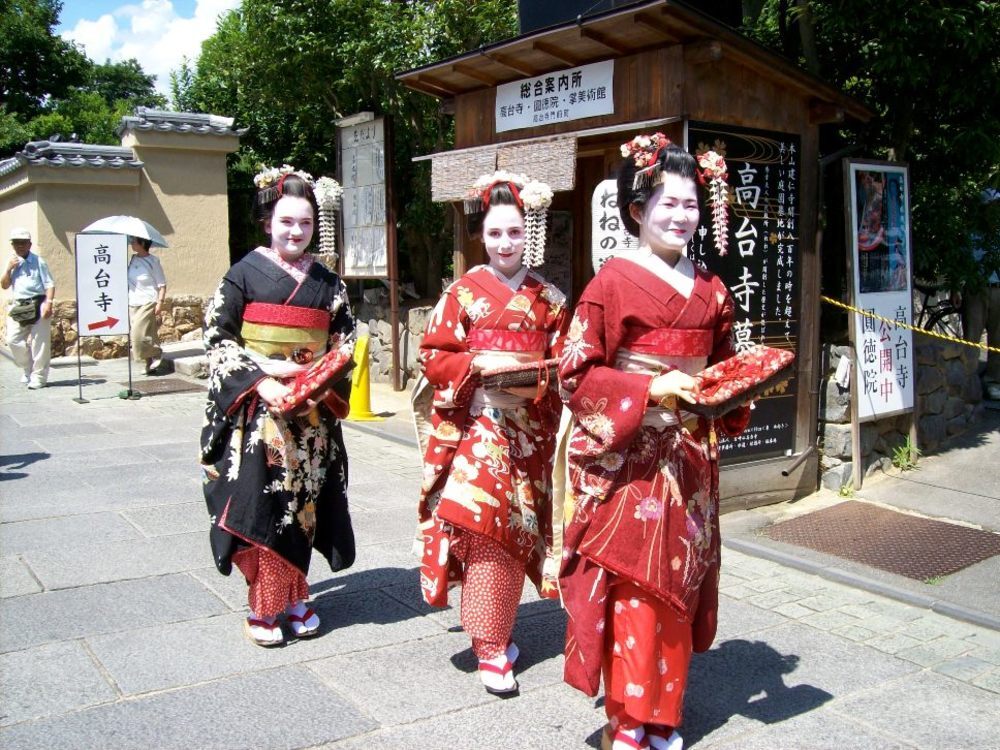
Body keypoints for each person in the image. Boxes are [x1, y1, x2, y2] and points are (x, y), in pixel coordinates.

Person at [557, 135, 751, 750]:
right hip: (630, 457)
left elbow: (723, 369)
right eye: (667, 203)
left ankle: (665, 713)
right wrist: (649, 392)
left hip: (691, 458)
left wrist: (738, 386)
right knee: (635, 586)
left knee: (679, 583)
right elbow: (576, 373)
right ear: (637, 209)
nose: (679, 216)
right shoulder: (609, 284)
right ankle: (628, 718)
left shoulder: (714, 292)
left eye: (691, 204)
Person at [416, 171, 567, 695]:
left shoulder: (549, 298)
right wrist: (473, 379)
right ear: (481, 234)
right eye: (496, 233)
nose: (506, 243)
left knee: (513, 530)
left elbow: (568, 363)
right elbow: (434, 353)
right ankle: (490, 645)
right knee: (483, 524)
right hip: (478, 425)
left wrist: (538, 383)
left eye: (516, 232)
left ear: (531, 233)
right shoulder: (461, 293)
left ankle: (496, 631)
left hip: (528, 428)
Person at [200, 168, 355, 647]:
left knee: (305, 503)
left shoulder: (329, 284)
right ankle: (265, 605)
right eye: (287, 221)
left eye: (305, 223)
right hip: (261, 411)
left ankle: (296, 594)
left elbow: (344, 341)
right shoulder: (243, 273)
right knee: (265, 502)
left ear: (316, 226)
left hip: (310, 414)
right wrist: (260, 380)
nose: (296, 232)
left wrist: (320, 380)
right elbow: (217, 337)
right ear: (268, 221)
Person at [2, 227, 55, 389]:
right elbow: (4, 285)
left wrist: (49, 303)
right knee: (13, 340)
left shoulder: (39, 262)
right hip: (20, 305)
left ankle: (39, 377)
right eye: (16, 243)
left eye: (23, 243)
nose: (20, 246)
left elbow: (49, 284)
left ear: (29, 244)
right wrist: (8, 268)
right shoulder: (12, 262)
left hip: (38, 303)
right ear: (12, 245)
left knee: (40, 343)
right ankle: (28, 368)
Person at [960, 188, 1000, 401]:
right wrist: (957, 287)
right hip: (976, 289)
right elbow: (961, 261)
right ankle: (969, 379)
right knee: (972, 336)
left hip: (998, 289)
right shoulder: (972, 232)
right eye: (991, 207)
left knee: (998, 338)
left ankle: (993, 381)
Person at [127, 236, 167, 374]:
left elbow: (162, 284)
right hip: (133, 301)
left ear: (142, 243)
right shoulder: (132, 260)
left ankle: (156, 352)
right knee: (147, 333)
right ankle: (148, 363)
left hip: (148, 301)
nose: (131, 243)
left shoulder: (153, 261)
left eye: (134, 241)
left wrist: (160, 303)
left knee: (137, 333)